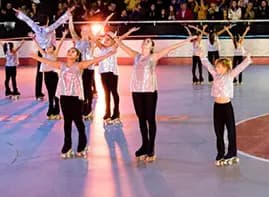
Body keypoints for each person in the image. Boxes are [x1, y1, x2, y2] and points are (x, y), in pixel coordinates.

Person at [114, 33, 197, 161]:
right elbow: (122, 45)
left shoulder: (154, 57)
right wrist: (114, 38)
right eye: (145, 41)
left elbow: (171, 48)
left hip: (149, 91)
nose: (145, 42)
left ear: (152, 46)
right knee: (141, 118)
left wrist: (186, 40)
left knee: (150, 119)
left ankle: (151, 148)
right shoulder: (136, 56)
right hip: (136, 91)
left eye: (148, 41)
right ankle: (144, 145)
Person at [30, 42, 118, 158]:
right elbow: (48, 62)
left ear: (76, 56)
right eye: (69, 51)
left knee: (78, 121)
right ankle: (67, 145)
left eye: (73, 51)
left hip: (76, 97)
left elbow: (95, 60)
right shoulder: (61, 65)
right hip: (64, 97)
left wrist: (109, 54)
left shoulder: (80, 65)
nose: (70, 52)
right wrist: (36, 57)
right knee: (67, 122)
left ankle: (82, 144)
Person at [201, 52, 252, 166]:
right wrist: (201, 56)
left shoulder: (230, 75)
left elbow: (240, 67)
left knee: (231, 131)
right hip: (217, 108)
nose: (216, 68)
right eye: (216, 66)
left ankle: (232, 153)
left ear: (225, 67)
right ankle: (220, 154)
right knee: (218, 132)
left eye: (218, 66)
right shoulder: (215, 75)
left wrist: (247, 58)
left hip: (227, 107)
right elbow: (207, 65)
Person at [14, 7, 72, 100]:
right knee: (52, 70)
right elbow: (59, 22)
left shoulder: (36, 28)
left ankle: (38, 93)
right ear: (47, 21)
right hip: (50, 51)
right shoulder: (50, 28)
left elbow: (28, 21)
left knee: (40, 72)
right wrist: (67, 14)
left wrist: (20, 14)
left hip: (41, 51)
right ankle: (55, 92)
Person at [68, 14, 100, 120]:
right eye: (83, 30)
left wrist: (91, 34)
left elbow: (96, 38)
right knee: (78, 89)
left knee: (87, 89)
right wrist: (71, 18)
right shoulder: (77, 41)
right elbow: (72, 30)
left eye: (87, 31)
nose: (85, 32)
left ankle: (88, 109)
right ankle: (81, 107)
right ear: (81, 32)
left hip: (88, 69)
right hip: (78, 68)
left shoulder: (91, 43)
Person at [32, 34, 66, 119]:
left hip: (53, 76)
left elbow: (60, 44)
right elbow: (39, 47)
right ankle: (51, 110)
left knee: (56, 94)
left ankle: (57, 110)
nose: (48, 48)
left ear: (53, 49)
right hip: (46, 76)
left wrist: (63, 36)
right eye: (47, 47)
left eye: (50, 47)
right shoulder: (44, 54)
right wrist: (33, 39)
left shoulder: (54, 55)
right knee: (50, 94)